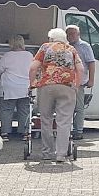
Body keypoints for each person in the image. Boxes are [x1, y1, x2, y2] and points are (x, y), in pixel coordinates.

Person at [29, 28, 84, 163]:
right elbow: (81, 69)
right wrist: (76, 86)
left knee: (46, 119)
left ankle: (47, 153)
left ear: (51, 38)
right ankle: (61, 154)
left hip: (46, 86)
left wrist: (32, 83)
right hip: (67, 87)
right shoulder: (71, 49)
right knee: (64, 122)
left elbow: (33, 67)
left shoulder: (45, 47)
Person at [0, 35, 34, 140]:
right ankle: (25, 133)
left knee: (7, 110)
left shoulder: (7, 55)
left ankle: (5, 134)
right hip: (25, 87)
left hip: (9, 88)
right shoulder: (29, 55)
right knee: (24, 110)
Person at [65, 24, 96, 140]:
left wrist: (91, 80)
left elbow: (91, 63)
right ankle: (66, 130)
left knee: (79, 107)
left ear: (78, 34)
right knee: (66, 107)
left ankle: (78, 131)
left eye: (73, 34)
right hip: (66, 82)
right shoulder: (65, 46)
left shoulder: (84, 46)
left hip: (79, 82)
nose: (70, 36)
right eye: (68, 34)